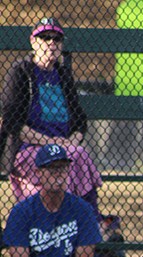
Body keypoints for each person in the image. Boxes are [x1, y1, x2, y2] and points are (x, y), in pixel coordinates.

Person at [0, 17, 103, 216]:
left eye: (56, 39)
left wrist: (69, 142)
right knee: (64, 159)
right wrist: (49, 142)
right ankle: (68, 219)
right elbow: (12, 121)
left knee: (76, 154)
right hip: (29, 147)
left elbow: (80, 120)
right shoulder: (21, 72)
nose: (51, 43)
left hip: (64, 145)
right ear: (33, 42)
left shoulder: (63, 74)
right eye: (45, 37)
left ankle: (88, 221)